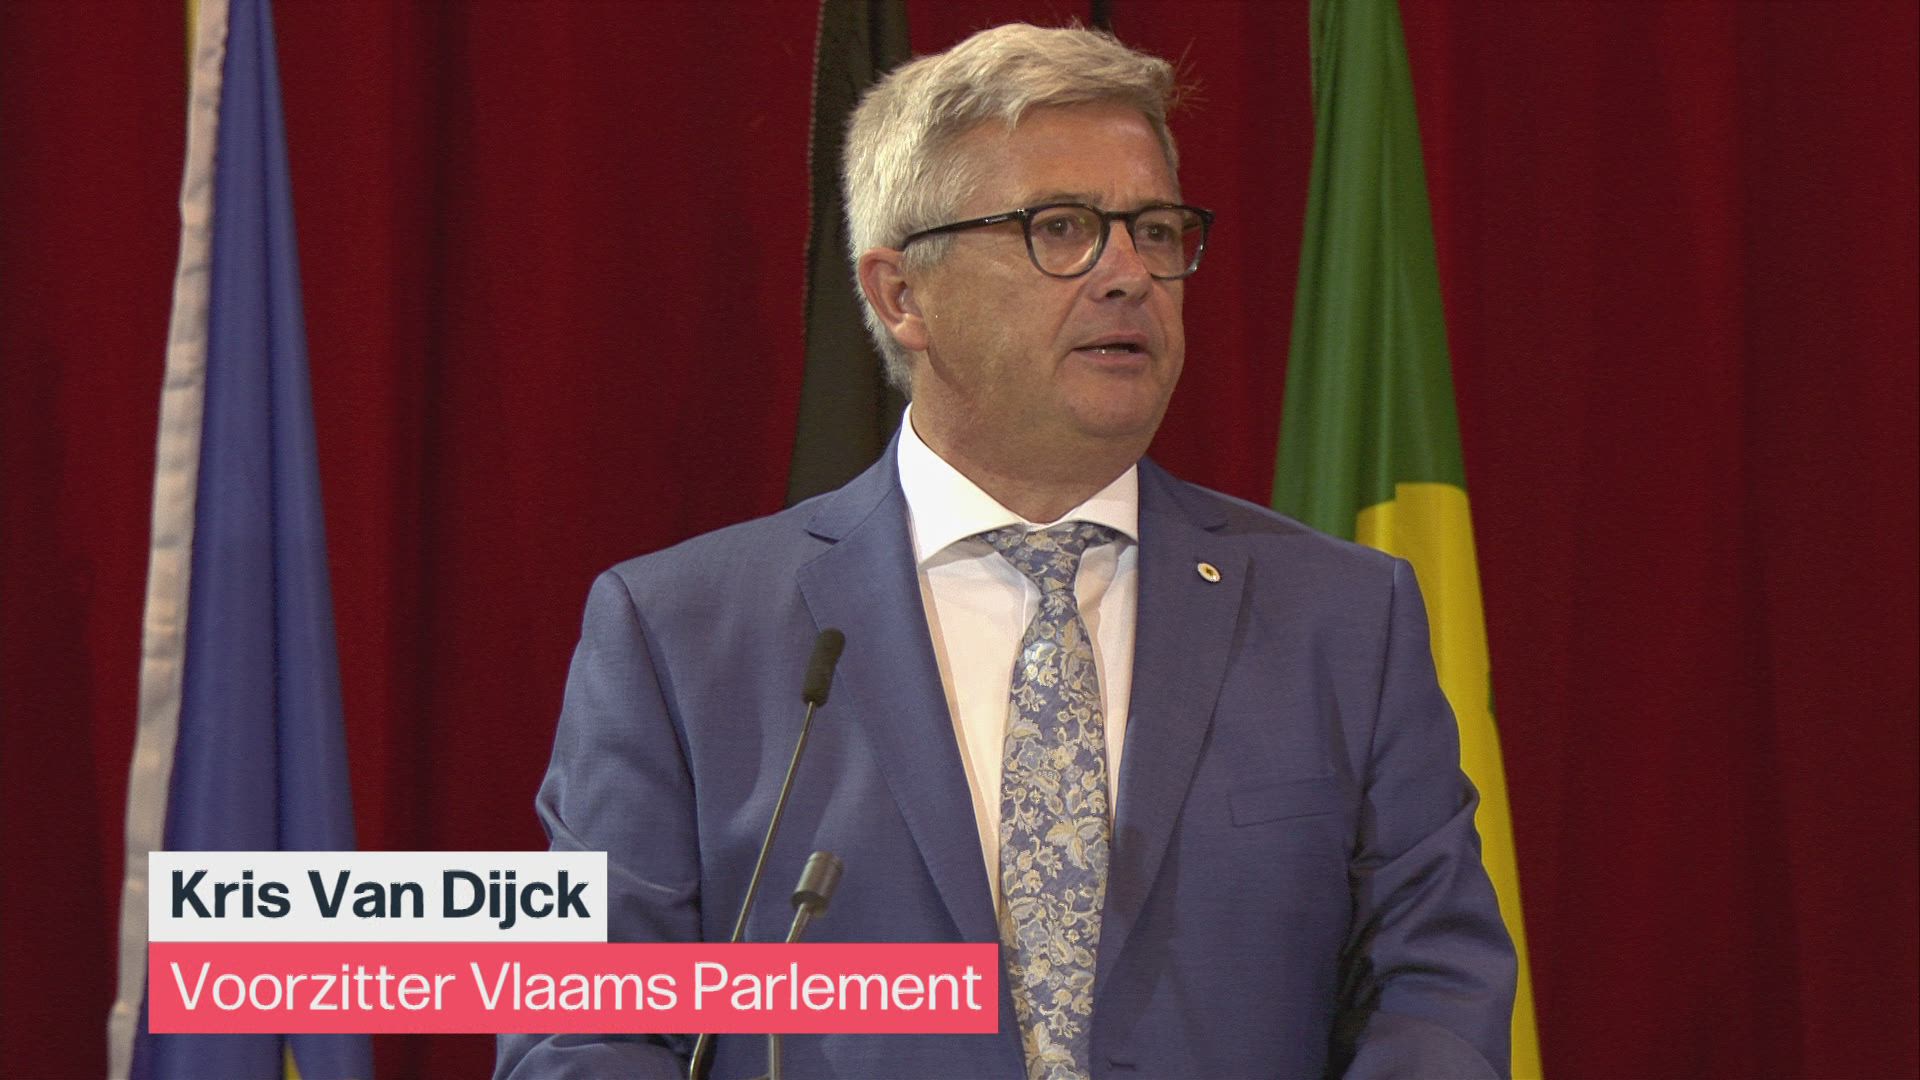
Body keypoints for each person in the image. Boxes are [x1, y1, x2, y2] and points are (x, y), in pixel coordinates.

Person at [498, 23, 1514, 1080]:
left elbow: (1434, 982)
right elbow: (584, 1028)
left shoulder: (1344, 615)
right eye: (1060, 228)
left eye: (1155, 230)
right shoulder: (677, 634)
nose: (1129, 274)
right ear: (902, 295)